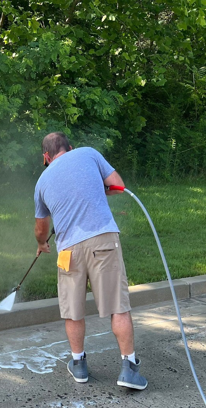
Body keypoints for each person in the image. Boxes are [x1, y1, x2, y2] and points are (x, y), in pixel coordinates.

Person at [34, 132, 147, 390]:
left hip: (67, 251)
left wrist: (41, 244)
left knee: (72, 310)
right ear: (69, 148)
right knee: (118, 306)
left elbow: (41, 228)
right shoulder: (88, 153)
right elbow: (118, 185)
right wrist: (95, 191)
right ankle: (129, 369)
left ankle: (79, 365)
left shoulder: (41, 182)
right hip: (103, 241)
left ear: (46, 157)